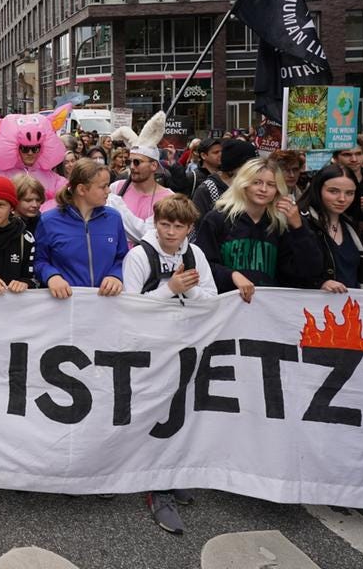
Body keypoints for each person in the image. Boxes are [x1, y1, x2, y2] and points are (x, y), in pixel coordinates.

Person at [121, 194, 216, 535]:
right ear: (155, 222)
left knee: (180, 411)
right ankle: (157, 487)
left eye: (179, 226)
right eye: (165, 224)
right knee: (155, 415)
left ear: (190, 228)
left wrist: (187, 292)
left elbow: (211, 297)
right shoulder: (139, 256)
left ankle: (169, 473)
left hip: (185, 342)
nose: (171, 232)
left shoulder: (195, 254)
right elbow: (130, 308)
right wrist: (169, 289)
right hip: (149, 347)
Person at [194, 158, 322, 302]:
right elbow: (200, 265)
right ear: (244, 184)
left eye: (271, 184)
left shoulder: (281, 223)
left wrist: (299, 228)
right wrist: (232, 275)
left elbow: (309, 271)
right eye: (257, 182)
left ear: (277, 190)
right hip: (227, 308)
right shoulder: (217, 219)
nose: (263, 189)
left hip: (269, 308)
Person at [34, 158, 128, 299]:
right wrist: (52, 276)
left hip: (106, 303)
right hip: (65, 304)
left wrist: (116, 275)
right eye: (103, 186)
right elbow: (39, 260)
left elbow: (123, 257)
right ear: (82, 189)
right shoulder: (48, 221)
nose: (108, 191)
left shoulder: (114, 218)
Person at [299, 166, 363, 292]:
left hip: (352, 307)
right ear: (318, 189)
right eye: (333, 191)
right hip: (312, 307)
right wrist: (319, 283)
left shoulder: (357, 229)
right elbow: (288, 270)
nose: (342, 199)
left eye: (349, 193)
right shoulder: (300, 223)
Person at [191, 139, 257, 218]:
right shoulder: (207, 190)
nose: (254, 170)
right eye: (250, 166)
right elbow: (197, 225)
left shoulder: (251, 187)